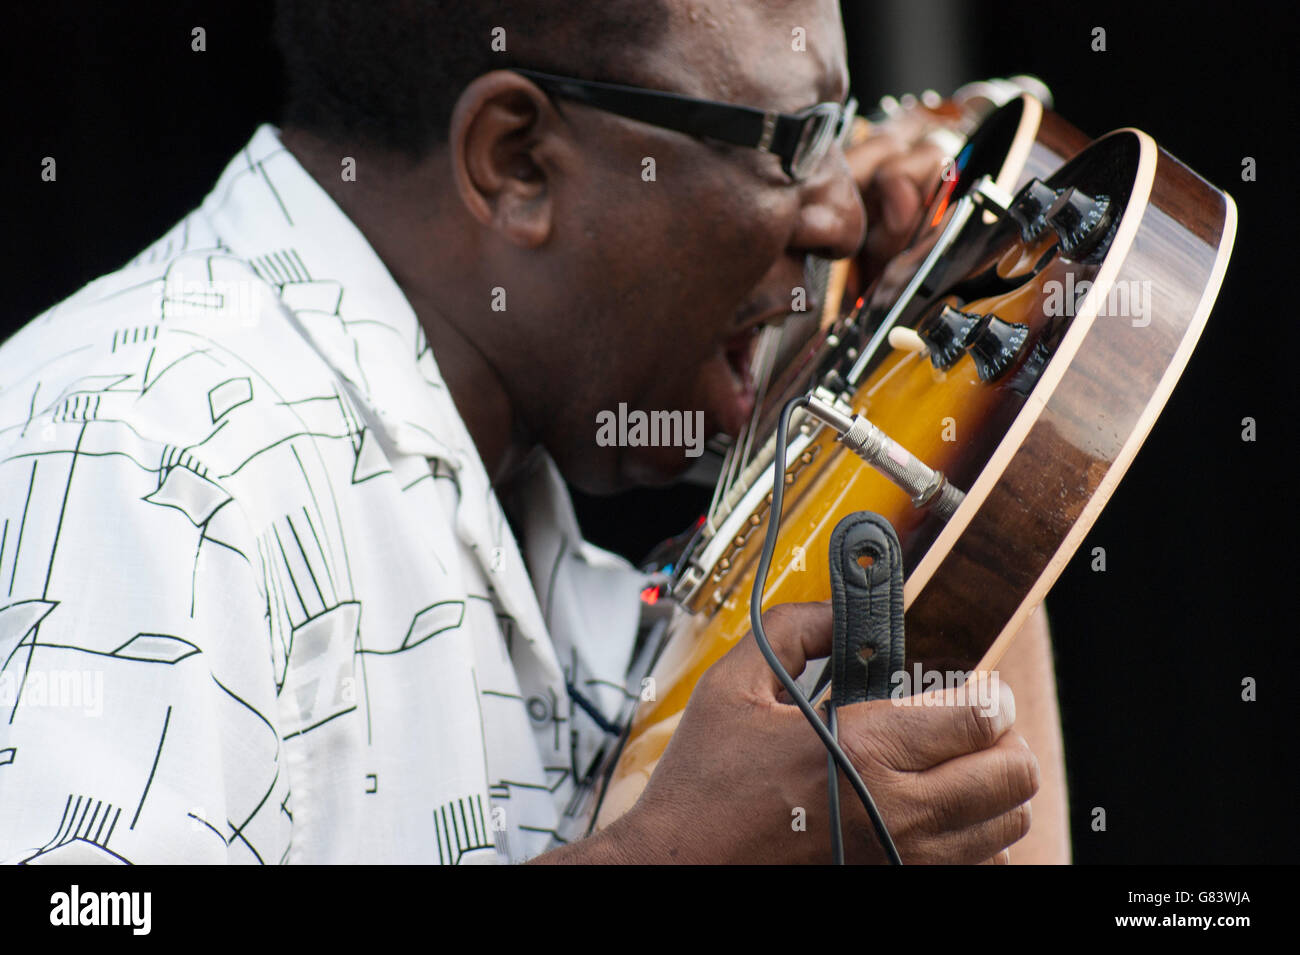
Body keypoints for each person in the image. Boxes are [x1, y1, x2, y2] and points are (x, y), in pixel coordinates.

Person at [0, 0, 1064, 864]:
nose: (838, 216)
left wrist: (943, 361)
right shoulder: (134, 453)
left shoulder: (521, 509)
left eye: (845, 131)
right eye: (795, 142)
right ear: (514, 161)